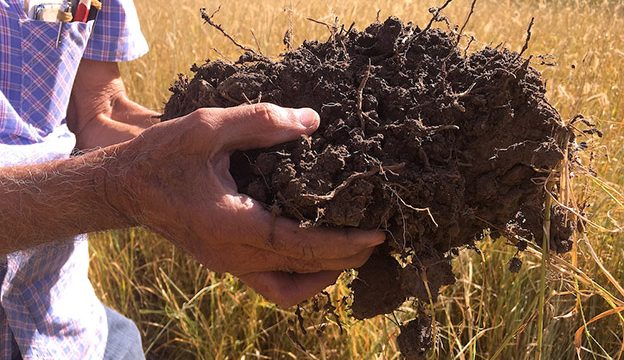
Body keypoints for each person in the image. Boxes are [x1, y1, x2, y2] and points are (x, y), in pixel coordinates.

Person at [0, 0, 384, 358]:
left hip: (76, 330)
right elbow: (124, 174)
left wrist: (237, 159)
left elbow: (96, 114)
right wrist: (121, 189)